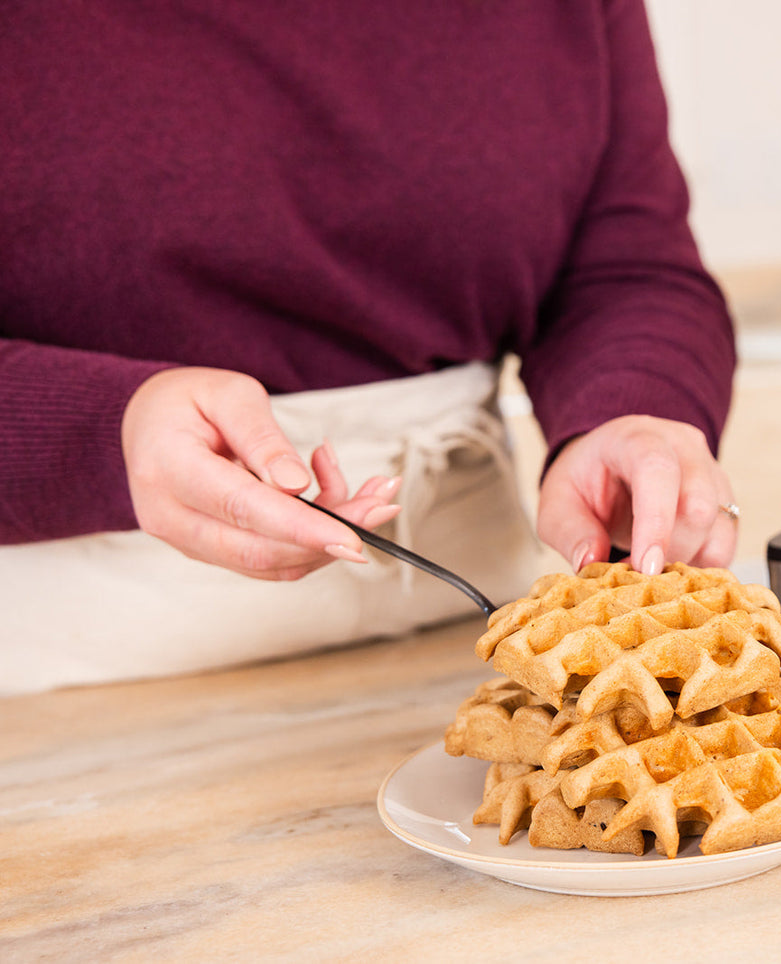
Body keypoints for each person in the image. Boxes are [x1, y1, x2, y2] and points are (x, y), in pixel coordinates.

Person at [0, 0, 738, 694]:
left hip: (465, 641)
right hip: (69, 686)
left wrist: (628, 409)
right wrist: (99, 431)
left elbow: (625, 266)